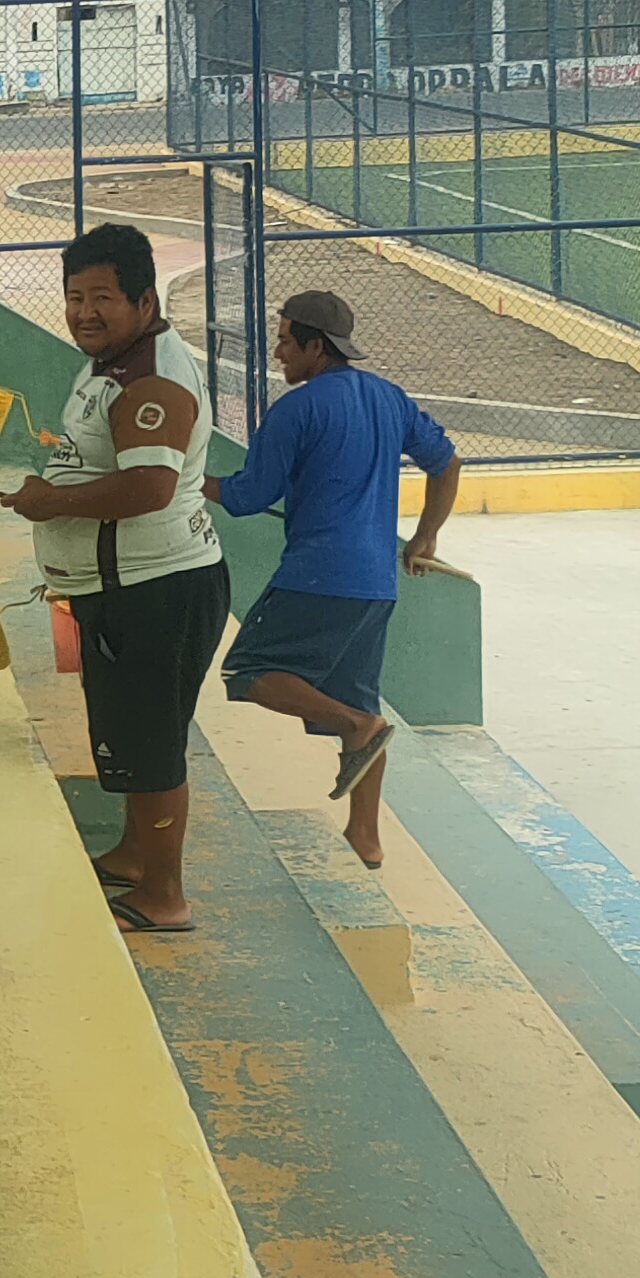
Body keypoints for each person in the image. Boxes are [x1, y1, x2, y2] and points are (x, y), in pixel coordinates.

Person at [0, 220, 228, 937]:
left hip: (156, 591)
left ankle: (164, 896)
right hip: (123, 589)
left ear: (144, 300)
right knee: (131, 736)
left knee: (152, 747)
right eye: (74, 297)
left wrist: (51, 502)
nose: (84, 313)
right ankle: (135, 854)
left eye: (102, 298)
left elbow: (150, 486)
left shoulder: (152, 379)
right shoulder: (112, 363)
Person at [212, 288, 459, 869]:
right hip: (375, 584)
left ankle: (357, 725)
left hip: (315, 577)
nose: (278, 353)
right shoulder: (389, 398)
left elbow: (247, 497)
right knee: (357, 694)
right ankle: (365, 836)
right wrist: (425, 537)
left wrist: (183, 482)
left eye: (284, 341)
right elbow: (447, 462)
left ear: (315, 346)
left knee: (248, 672)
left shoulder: (296, 410)